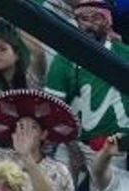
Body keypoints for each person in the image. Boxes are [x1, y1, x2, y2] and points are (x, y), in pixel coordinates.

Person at [43, 0, 126, 141]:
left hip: (119, 146)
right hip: (77, 143)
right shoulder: (64, 58)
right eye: (84, 19)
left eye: (96, 18)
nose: (89, 24)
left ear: (107, 21)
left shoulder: (125, 54)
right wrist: (72, 147)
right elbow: (52, 109)